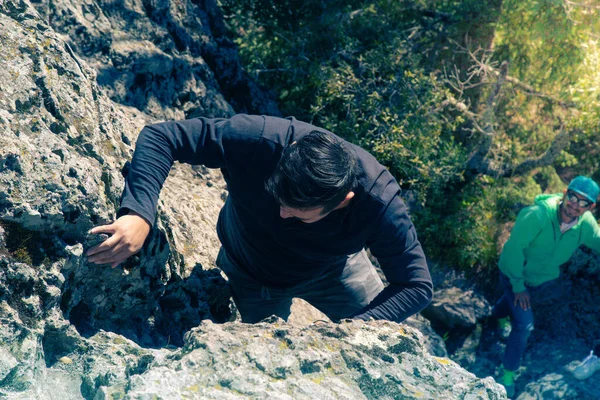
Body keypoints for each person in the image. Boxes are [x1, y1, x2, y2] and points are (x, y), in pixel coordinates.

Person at [86, 114, 433, 324]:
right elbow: (163, 137)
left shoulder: (379, 202)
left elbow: (416, 286)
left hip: (336, 272)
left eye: (297, 212)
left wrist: (356, 330)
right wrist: (138, 214)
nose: (282, 213)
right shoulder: (260, 141)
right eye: (278, 199)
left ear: (342, 202)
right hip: (250, 273)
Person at [492, 176, 600, 397]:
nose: (575, 205)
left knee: (512, 305)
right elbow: (513, 251)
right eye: (572, 197)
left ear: (591, 207)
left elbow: (598, 240)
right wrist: (518, 286)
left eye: (583, 202)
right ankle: (507, 374)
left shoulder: (585, 224)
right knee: (524, 325)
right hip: (514, 275)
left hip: (542, 279)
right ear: (564, 193)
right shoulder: (537, 215)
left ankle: (497, 316)